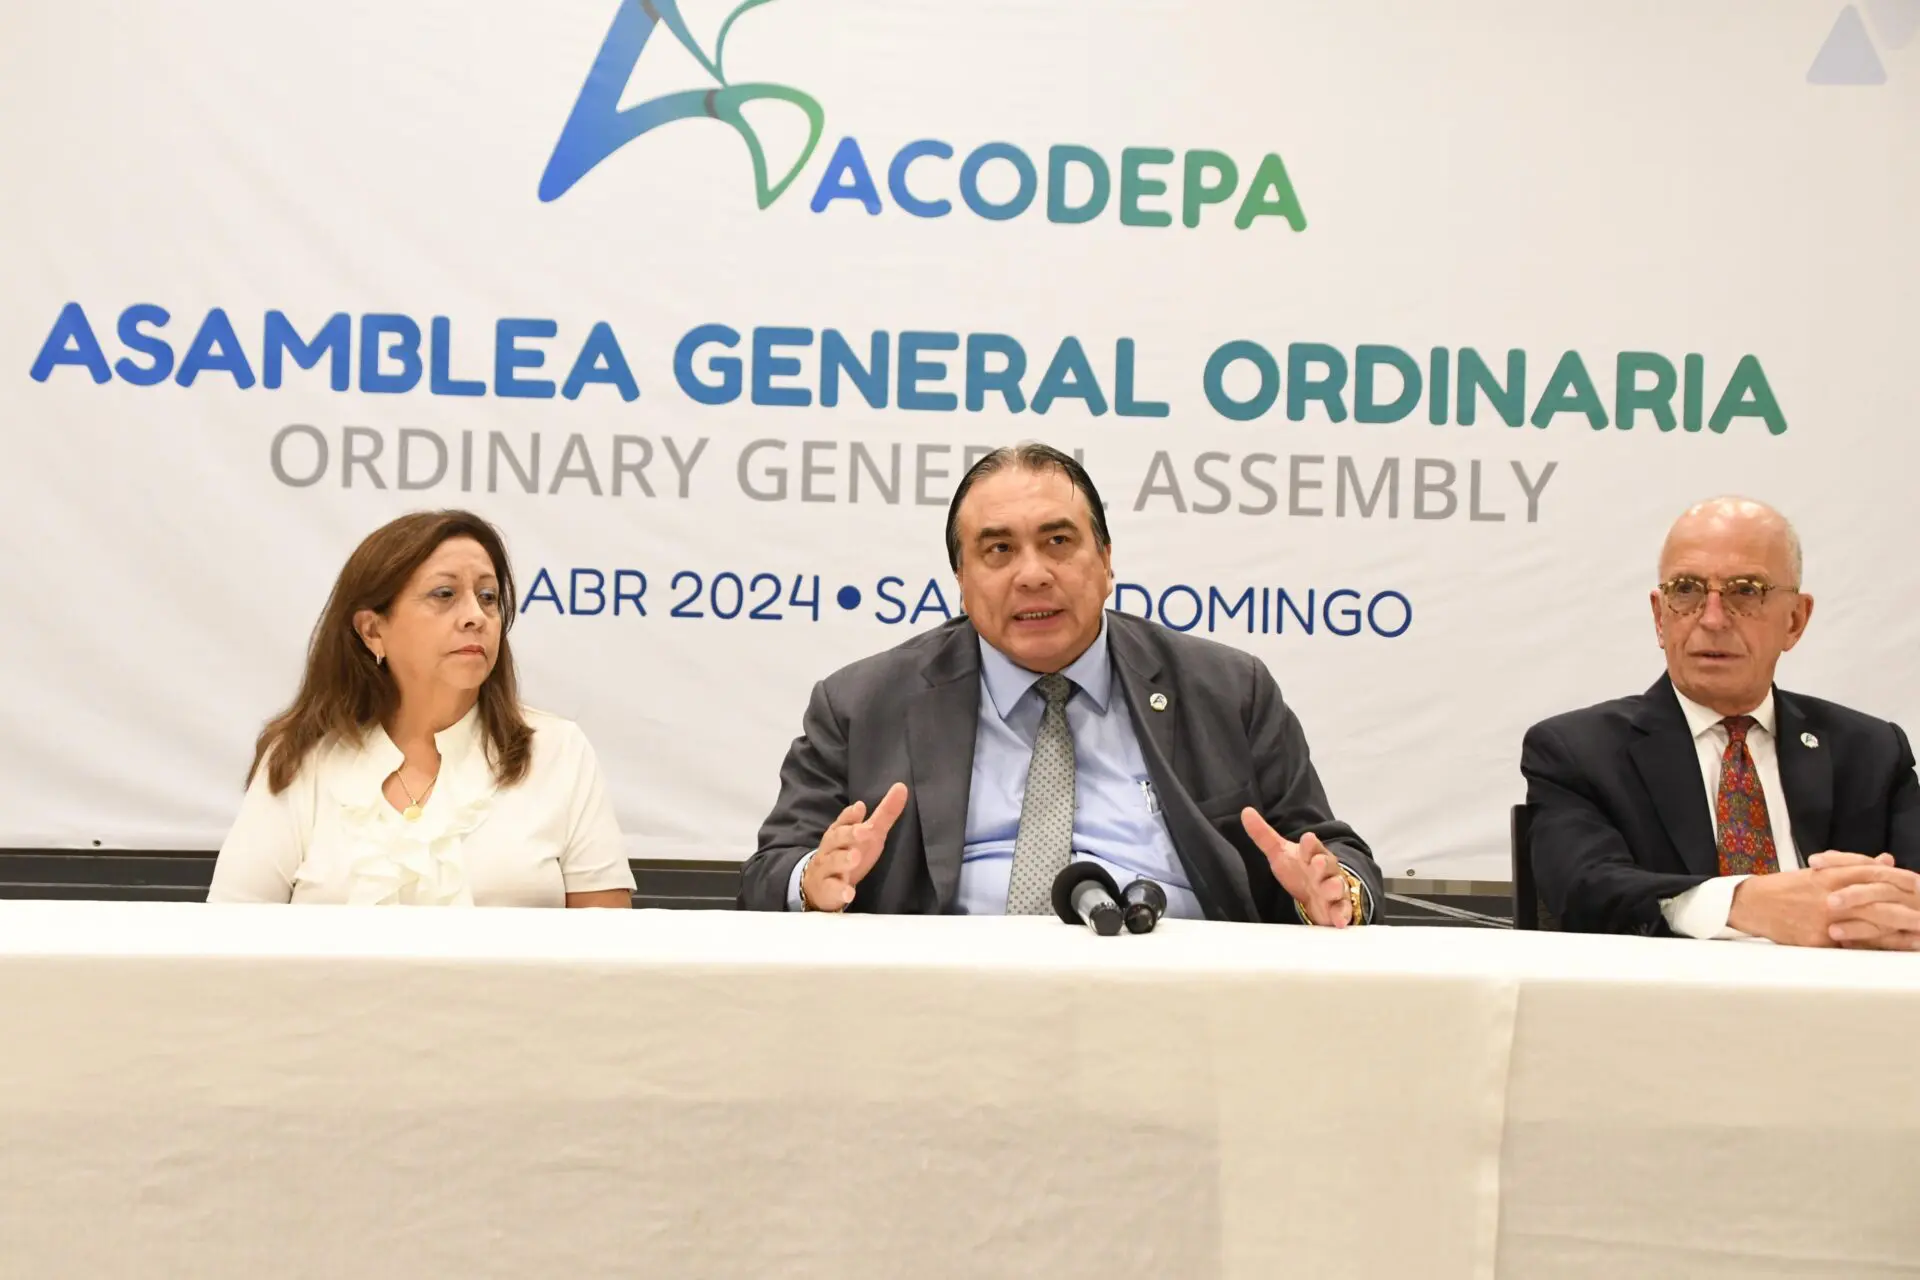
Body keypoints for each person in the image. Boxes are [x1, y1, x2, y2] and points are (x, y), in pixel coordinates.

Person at [739, 443, 1381, 923]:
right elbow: (768, 874)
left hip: (1183, 1000)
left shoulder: (1226, 690)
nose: (1033, 575)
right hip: (944, 1008)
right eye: (998, 551)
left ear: (1105, 563)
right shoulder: (862, 703)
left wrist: (1333, 892)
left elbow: (1331, 851)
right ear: (960, 581)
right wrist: (812, 880)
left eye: (1058, 542)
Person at [1521, 496, 1920, 947]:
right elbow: (1584, 890)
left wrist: (1884, 912)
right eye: (1686, 591)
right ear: (1659, 616)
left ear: (1795, 620)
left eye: (1746, 591)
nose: (1711, 619)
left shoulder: (1870, 751)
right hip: (1663, 1009)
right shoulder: (1578, 751)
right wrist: (1742, 903)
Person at [208, 510, 635, 908]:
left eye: (487, 597)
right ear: (373, 630)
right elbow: (225, 942)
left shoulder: (558, 751)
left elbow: (610, 960)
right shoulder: (301, 756)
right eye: (444, 594)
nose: (475, 616)